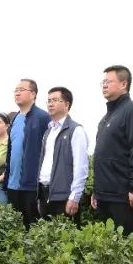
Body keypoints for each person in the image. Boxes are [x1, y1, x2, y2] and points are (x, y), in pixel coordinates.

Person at [92, 65, 133, 234]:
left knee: (126, 245)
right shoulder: (106, 118)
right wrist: (97, 191)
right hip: (105, 196)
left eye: (108, 81)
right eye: (103, 82)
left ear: (124, 84)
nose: (104, 85)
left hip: (124, 197)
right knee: (107, 246)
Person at [37, 87, 89, 223]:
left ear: (66, 105)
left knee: (65, 234)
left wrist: (74, 197)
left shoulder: (75, 130)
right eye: (48, 101)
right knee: (45, 234)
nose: (50, 104)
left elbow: (81, 166)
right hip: (44, 193)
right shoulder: (48, 132)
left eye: (55, 100)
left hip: (64, 197)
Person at [5, 79, 51, 227]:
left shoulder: (43, 117)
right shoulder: (14, 119)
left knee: (33, 227)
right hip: (13, 185)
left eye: (21, 90)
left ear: (33, 94)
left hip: (32, 186)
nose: (17, 93)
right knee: (15, 227)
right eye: (16, 90)